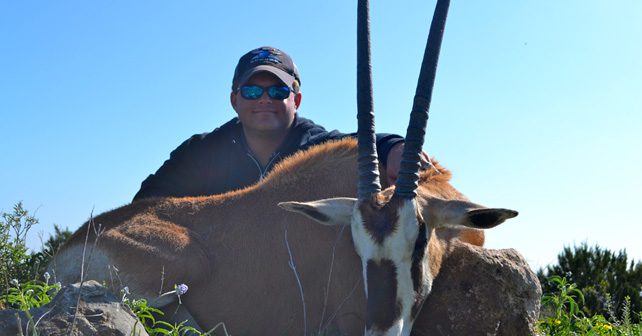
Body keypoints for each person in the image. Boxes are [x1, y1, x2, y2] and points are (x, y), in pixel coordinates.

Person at [133, 46, 425, 201]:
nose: (264, 99)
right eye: (251, 91)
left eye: (277, 91)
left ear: (296, 101)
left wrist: (394, 146)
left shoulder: (313, 144)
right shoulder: (201, 150)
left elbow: (353, 143)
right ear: (234, 100)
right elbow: (146, 201)